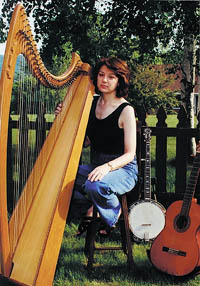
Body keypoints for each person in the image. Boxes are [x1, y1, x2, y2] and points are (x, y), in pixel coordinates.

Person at [55, 57, 138, 236]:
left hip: (123, 168)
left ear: (119, 80)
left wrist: (107, 168)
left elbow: (130, 154)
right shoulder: (90, 104)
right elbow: (84, 142)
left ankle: (113, 212)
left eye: (111, 77)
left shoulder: (126, 110)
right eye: (101, 75)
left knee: (95, 186)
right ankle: (94, 209)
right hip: (97, 166)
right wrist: (61, 117)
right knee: (59, 177)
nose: (105, 80)